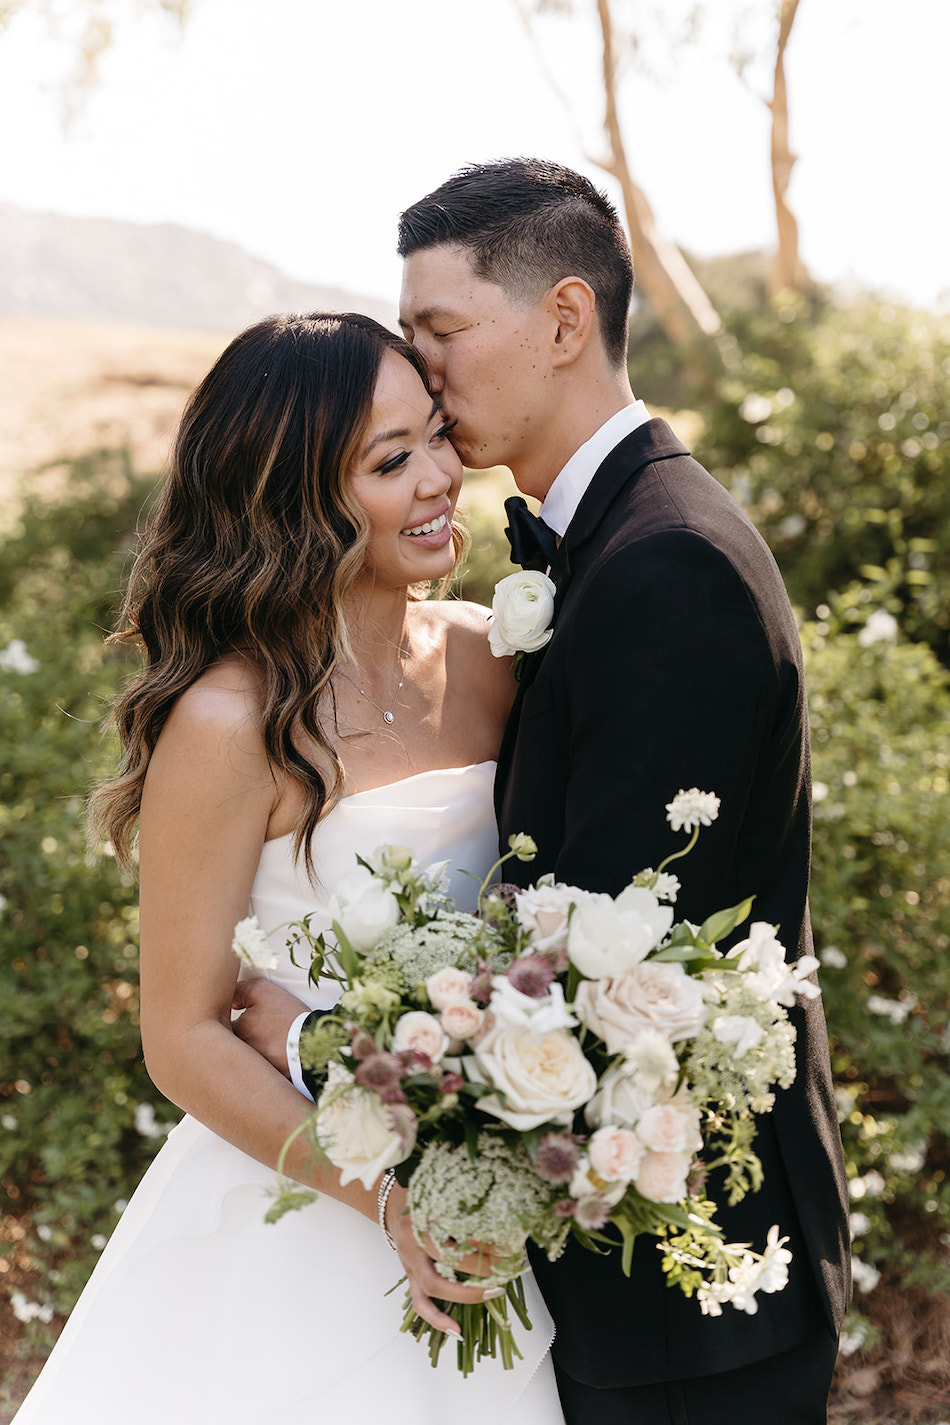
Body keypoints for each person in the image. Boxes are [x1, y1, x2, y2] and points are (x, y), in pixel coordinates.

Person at [12, 312, 562, 1425]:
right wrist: (389, 1197)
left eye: (437, 438)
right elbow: (181, 1034)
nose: (439, 480)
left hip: (497, 1194)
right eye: (388, 461)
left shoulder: (492, 654)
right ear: (292, 493)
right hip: (302, 1206)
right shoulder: (230, 721)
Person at [394, 158, 852, 1423]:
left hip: (689, 1281)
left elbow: (610, 951)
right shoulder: (608, 540)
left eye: (440, 330)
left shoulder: (665, 566)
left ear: (561, 320)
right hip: (624, 1274)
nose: (421, 370)